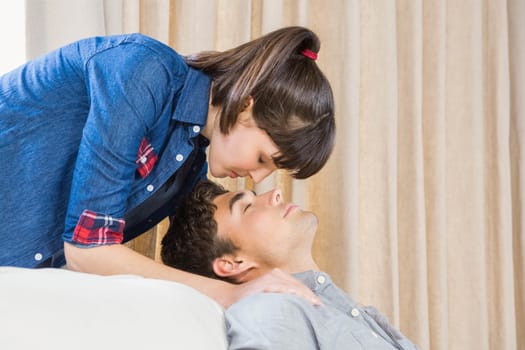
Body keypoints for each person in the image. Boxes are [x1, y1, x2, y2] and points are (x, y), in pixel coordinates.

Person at [0, 26, 335, 306]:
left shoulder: (189, 164)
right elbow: (87, 249)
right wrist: (233, 294)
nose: (259, 178)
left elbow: (205, 252)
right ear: (246, 106)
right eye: (263, 158)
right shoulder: (142, 69)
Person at [162, 180, 419, 350]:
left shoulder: (334, 307)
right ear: (232, 263)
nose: (275, 193)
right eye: (248, 207)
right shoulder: (268, 312)